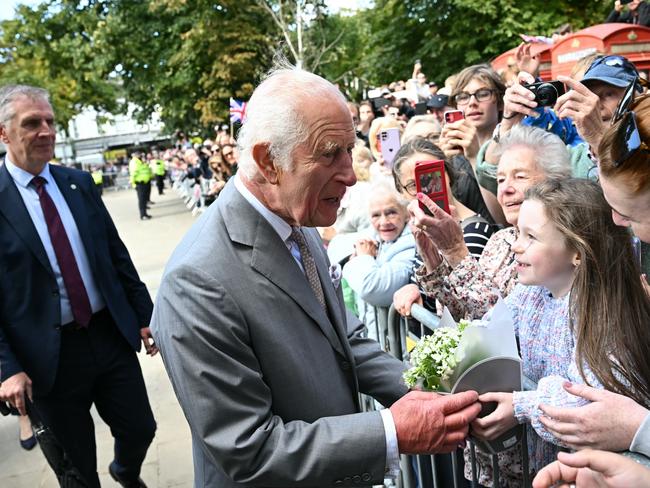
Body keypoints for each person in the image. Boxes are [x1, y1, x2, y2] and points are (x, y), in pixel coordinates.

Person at [150, 63, 482, 487]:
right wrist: (391, 431)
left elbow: (345, 339)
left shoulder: (297, 221)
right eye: (329, 154)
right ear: (268, 161)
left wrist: (433, 401)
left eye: (350, 150)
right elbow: (247, 449)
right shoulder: (196, 281)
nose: (349, 173)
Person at [0, 84, 157, 488]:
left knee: (141, 428)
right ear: (4, 134)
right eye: (31, 123)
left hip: (107, 336)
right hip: (46, 360)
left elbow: (115, 256)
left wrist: (144, 316)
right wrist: (8, 368)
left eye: (50, 122)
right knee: (76, 469)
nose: (46, 131)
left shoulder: (78, 184)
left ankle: (125, 471)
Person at [468, 178, 650, 485]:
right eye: (517, 233)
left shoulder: (604, 311)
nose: (516, 245)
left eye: (531, 237)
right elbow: (488, 330)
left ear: (577, 252)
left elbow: (588, 405)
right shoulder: (531, 293)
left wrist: (524, 403)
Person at [396, 125, 571, 320]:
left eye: (519, 176)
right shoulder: (500, 240)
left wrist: (455, 251)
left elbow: (502, 322)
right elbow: (464, 314)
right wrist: (431, 258)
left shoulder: (557, 245)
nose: (506, 189)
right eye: (501, 179)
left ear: (556, 180)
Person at [342, 183, 416, 340]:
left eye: (391, 213)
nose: (384, 222)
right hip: (376, 339)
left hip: (402, 350)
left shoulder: (412, 242)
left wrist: (361, 258)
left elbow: (373, 288)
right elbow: (336, 249)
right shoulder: (372, 239)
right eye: (376, 215)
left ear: (406, 214)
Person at [129, 151, 153, 220]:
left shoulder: (139, 161)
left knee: (144, 199)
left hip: (144, 182)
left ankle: (145, 213)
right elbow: (133, 173)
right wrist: (133, 184)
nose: (141, 156)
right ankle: (143, 215)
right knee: (142, 200)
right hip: (140, 183)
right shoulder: (135, 162)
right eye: (140, 155)